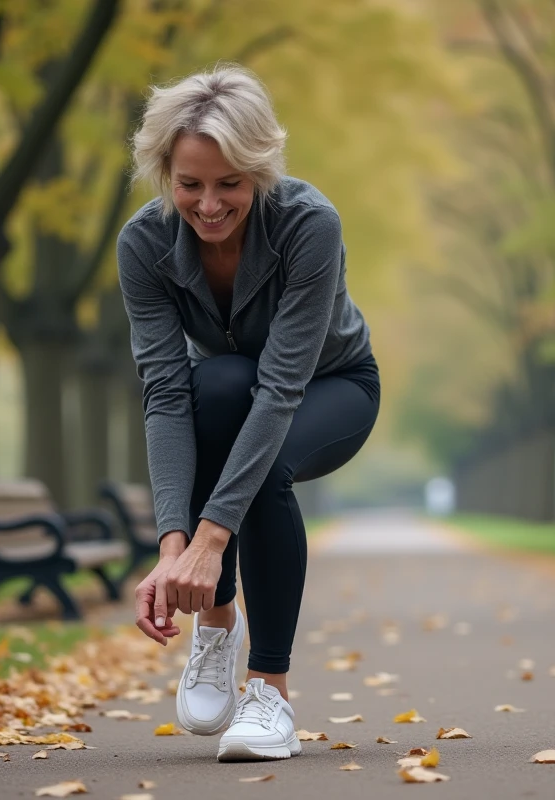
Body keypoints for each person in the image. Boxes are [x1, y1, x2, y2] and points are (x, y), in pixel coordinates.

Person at [116, 64, 380, 763]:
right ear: (164, 172)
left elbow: (282, 389)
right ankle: (217, 624)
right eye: (189, 183)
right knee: (217, 386)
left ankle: (270, 691)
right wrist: (174, 549)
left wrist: (211, 543)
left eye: (229, 182)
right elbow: (168, 395)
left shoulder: (308, 225)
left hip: (333, 385)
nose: (208, 204)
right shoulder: (143, 245)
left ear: (260, 169)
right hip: (240, 388)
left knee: (264, 462)